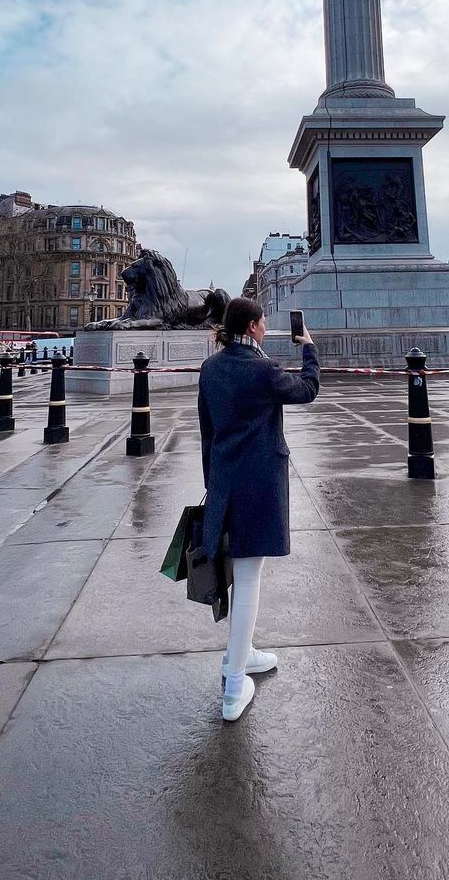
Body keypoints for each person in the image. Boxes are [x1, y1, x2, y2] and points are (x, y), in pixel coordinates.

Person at [198, 297, 319, 723]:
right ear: (250, 326)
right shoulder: (263, 370)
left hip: (225, 478)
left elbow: (206, 432)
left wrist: (212, 482)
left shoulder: (211, 369)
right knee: (248, 576)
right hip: (259, 481)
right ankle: (234, 684)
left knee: (238, 570)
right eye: (264, 321)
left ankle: (243, 651)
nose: (267, 327)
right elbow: (306, 391)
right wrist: (309, 350)